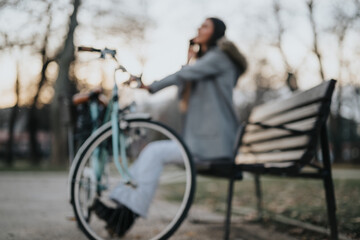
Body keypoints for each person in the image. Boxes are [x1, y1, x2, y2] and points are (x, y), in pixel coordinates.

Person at [92, 17, 247, 237]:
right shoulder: (207, 64)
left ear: (216, 33)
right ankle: (121, 218)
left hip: (215, 144)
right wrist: (189, 57)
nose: (198, 28)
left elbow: (183, 76)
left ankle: (121, 219)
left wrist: (150, 86)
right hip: (204, 142)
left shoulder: (219, 58)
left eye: (205, 26)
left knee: (154, 152)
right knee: (152, 153)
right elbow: (183, 91)